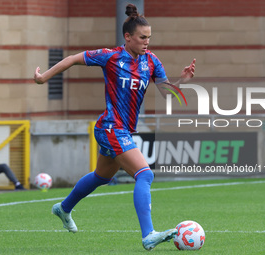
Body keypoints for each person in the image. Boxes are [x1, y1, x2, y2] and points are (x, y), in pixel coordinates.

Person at [34, 4, 195, 251]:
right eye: (142, 38)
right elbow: (72, 59)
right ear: (128, 37)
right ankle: (148, 234)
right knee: (145, 174)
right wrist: (44, 77)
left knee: (102, 177)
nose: (146, 42)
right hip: (110, 127)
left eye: (149, 38)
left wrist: (181, 81)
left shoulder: (151, 62)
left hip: (123, 130)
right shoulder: (110, 56)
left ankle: (63, 208)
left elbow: (167, 93)